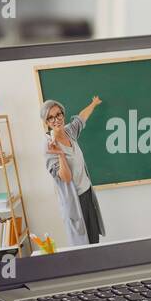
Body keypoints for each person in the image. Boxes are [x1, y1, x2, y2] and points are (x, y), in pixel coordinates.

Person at [43, 95, 106, 246]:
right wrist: (59, 154)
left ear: (63, 114)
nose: (56, 119)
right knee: (82, 245)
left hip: (88, 194)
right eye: (50, 118)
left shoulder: (69, 132)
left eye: (58, 114)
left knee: (94, 241)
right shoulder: (48, 146)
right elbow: (65, 177)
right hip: (75, 201)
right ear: (46, 122)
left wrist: (93, 103)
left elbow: (81, 118)